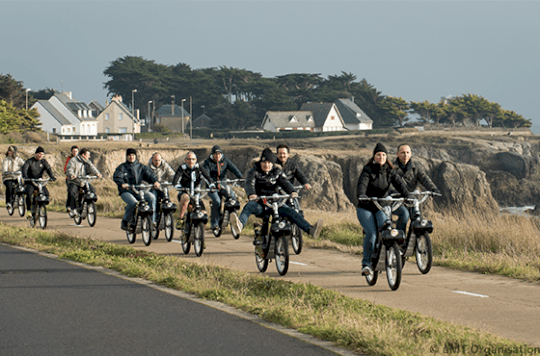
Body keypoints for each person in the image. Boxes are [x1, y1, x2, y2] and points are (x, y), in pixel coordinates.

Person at [230, 148, 323, 241]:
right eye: (264, 162)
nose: (267, 165)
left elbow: (285, 182)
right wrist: (252, 194)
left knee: (292, 212)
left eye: (269, 162)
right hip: (260, 203)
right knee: (249, 206)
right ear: (261, 162)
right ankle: (240, 225)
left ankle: (310, 230)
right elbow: (249, 184)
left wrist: (292, 191)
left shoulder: (277, 171)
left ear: (272, 163)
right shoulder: (253, 171)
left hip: (275, 203)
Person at [356, 143, 410, 276]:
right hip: (366, 207)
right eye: (378, 154)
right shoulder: (367, 170)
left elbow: (400, 184)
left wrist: (407, 195)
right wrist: (362, 195)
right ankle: (366, 264)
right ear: (374, 156)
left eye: (384, 154)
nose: (381, 157)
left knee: (387, 228)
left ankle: (389, 252)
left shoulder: (390, 170)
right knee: (372, 233)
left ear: (387, 157)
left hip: (381, 205)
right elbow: (362, 184)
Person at [392, 144, 440, 231]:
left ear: (410, 154)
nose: (405, 155)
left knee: (418, 218)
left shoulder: (415, 168)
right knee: (405, 215)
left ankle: (415, 240)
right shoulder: (391, 168)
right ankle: (400, 239)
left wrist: (433, 189)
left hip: (410, 200)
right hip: (395, 200)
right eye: (403, 153)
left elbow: (425, 179)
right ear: (397, 154)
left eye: (407, 152)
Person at [113, 148, 160, 231]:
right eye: (129, 155)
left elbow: (150, 174)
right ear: (127, 156)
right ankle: (125, 221)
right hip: (126, 191)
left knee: (152, 197)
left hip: (138, 191)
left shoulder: (141, 167)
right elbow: (117, 176)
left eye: (133, 155)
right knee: (133, 202)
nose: (131, 157)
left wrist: (155, 181)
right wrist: (122, 184)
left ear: (135, 156)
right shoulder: (122, 167)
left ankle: (152, 222)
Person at [202, 145, 244, 234]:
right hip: (211, 186)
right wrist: (211, 183)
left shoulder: (225, 160)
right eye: (215, 154)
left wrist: (241, 177)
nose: (217, 156)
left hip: (223, 185)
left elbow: (234, 168)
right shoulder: (207, 162)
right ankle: (214, 223)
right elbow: (206, 174)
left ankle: (231, 216)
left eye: (219, 154)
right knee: (217, 201)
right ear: (212, 154)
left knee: (232, 196)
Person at [172, 151, 212, 234]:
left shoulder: (199, 168)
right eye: (189, 159)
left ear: (196, 160)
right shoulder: (182, 168)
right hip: (184, 193)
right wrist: (179, 187)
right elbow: (175, 181)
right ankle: (180, 219)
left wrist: (212, 185)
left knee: (204, 215)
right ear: (185, 160)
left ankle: (200, 236)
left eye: (193, 159)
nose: (191, 161)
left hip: (196, 195)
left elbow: (207, 177)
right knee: (186, 198)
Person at [21, 146, 57, 218]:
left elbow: (48, 169)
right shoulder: (29, 161)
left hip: (39, 181)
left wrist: (52, 177)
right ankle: (28, 211)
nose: (40, 155)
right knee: (29, 194)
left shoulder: (43, 162)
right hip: (30, 181)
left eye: (42, 154)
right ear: (36, 154)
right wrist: (25, 177)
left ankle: (41, 206)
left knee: (46, 193)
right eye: (39, 153)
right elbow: (24, 169)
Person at [65, 148, 102, 217]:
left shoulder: (87, 161)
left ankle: (89, 205)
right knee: (72, 193)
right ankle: (73, 209)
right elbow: (69, 169)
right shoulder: (73, 160)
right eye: (88, 155)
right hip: (74, 181)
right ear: (83, 155)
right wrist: (72, 174)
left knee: (92, 191)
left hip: (84, 181)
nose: (89, 157)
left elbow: (92, 168)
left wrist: (98, 174)